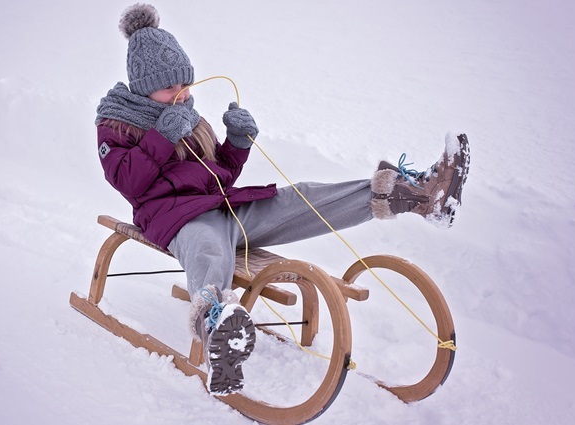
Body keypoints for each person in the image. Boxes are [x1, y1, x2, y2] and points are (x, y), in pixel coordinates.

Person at [95, 3, 470, 396]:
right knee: (208, 253)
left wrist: (237, 144)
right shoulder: (116, 123)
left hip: (226, 207)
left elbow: (217, 172)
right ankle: (219, 333)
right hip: (179, 221)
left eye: (187, 85)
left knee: (301, 197)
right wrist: (161, 137)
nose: (183, 94)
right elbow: (127, 182)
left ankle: (414, 195)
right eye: (172, 88)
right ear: (143, 87)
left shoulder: (184, 114)